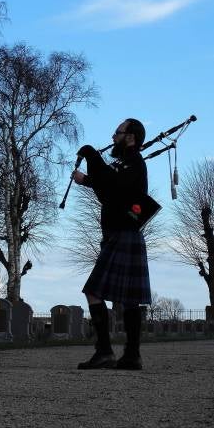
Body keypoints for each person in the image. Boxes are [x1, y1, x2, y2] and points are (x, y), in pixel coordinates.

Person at [72, 118, 151, 370]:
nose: (113, 136)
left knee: (94, 290)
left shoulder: (134, 162)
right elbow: (110, 190)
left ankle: (107, 351)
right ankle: (131, 355)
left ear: (130, 137)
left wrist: (92, 157)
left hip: (123, 233)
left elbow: (113, 184)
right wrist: (87, 181)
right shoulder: (127, 163)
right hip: (121, 233)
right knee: (129, 298)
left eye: (118, 132)